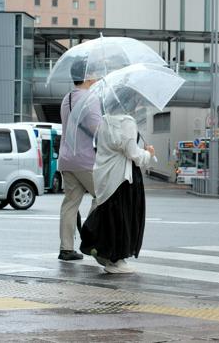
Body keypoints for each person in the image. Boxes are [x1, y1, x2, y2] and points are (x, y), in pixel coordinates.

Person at [80, 99, 155, 273]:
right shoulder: (127, 122)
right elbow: (133, 154)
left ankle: (108, 254)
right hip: (123, 177)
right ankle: (116, 259)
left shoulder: (104, 120)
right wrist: (148, 154)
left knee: (111, 217)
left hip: (105, 176)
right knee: (124, 218)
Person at [57, 59, 100, 261]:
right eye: (94, 72)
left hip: (66, 158)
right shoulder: (91, 99)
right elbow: (97, 129)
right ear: (88, 75)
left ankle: (66, 248)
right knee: (103, 196)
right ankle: (90, 236)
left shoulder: (68, 98)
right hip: (85, 160)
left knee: (70, 204)